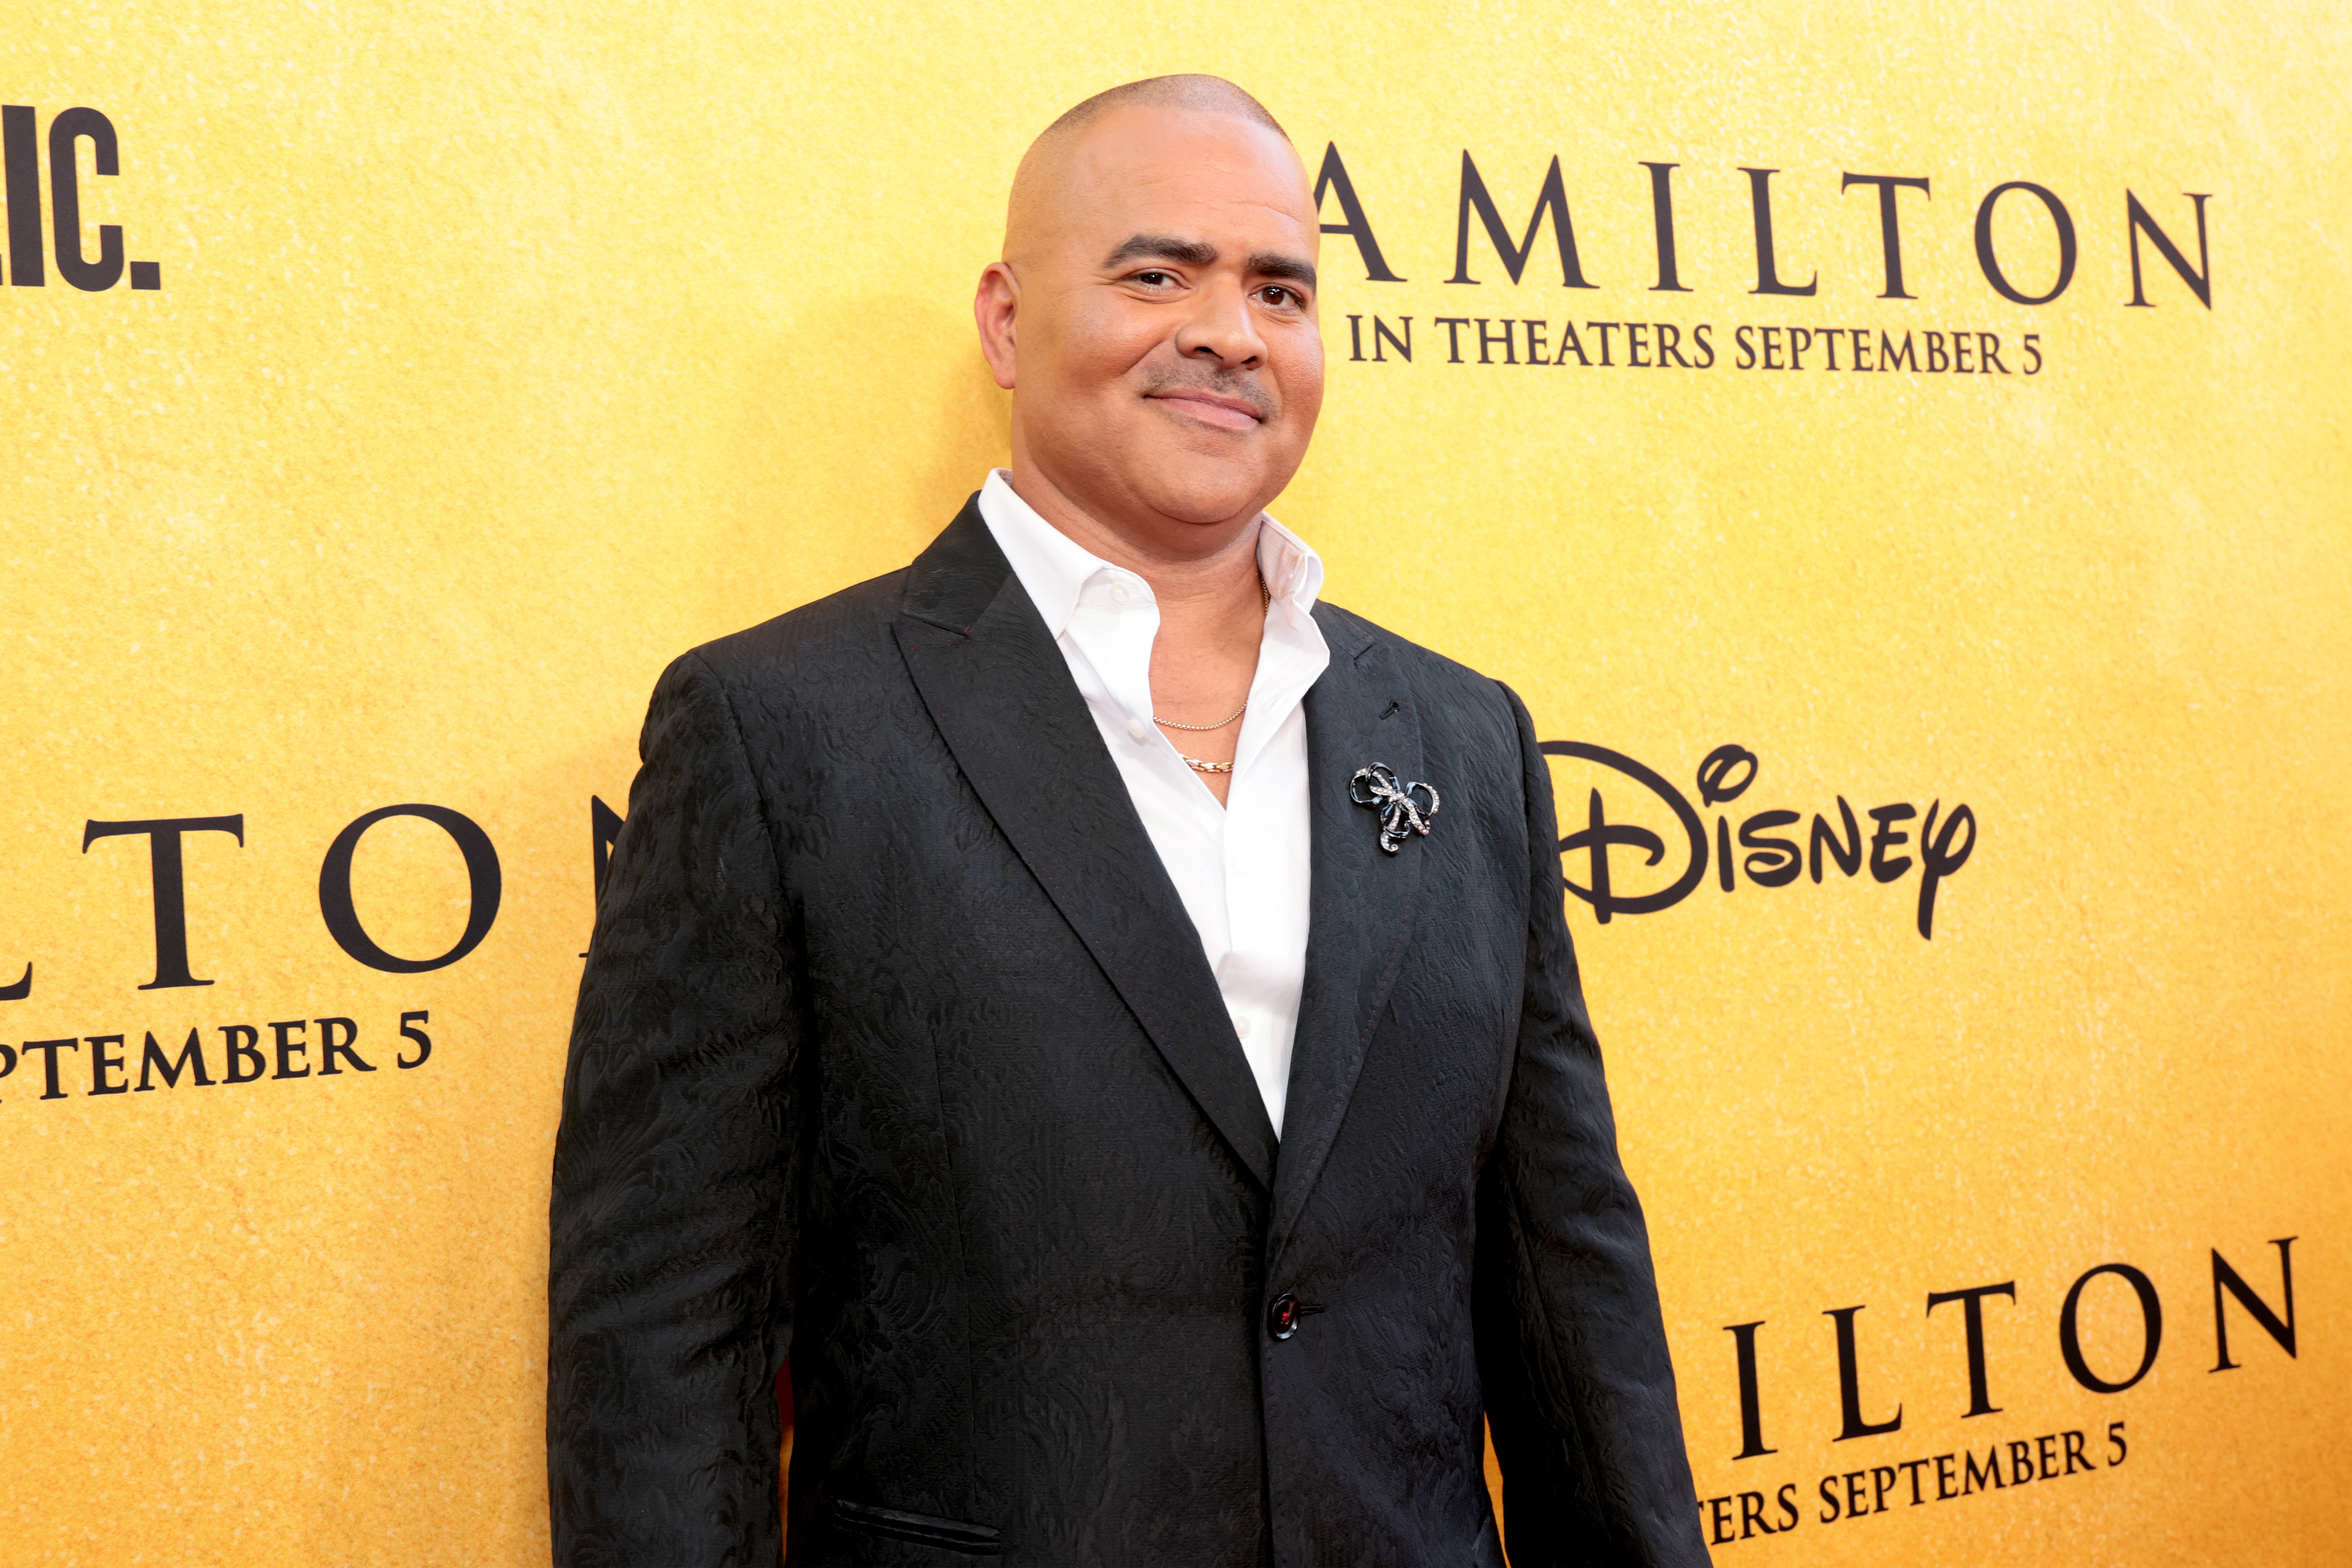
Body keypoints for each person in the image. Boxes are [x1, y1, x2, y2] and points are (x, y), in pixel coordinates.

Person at [548, 73, 1710, 1567]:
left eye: (1279, 289)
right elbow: (663, 1345)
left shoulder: (1466, 736)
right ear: (1009, 323)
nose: (1229, 330)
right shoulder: (781, 734)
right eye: (1158, 273)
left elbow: (1572, 1287)